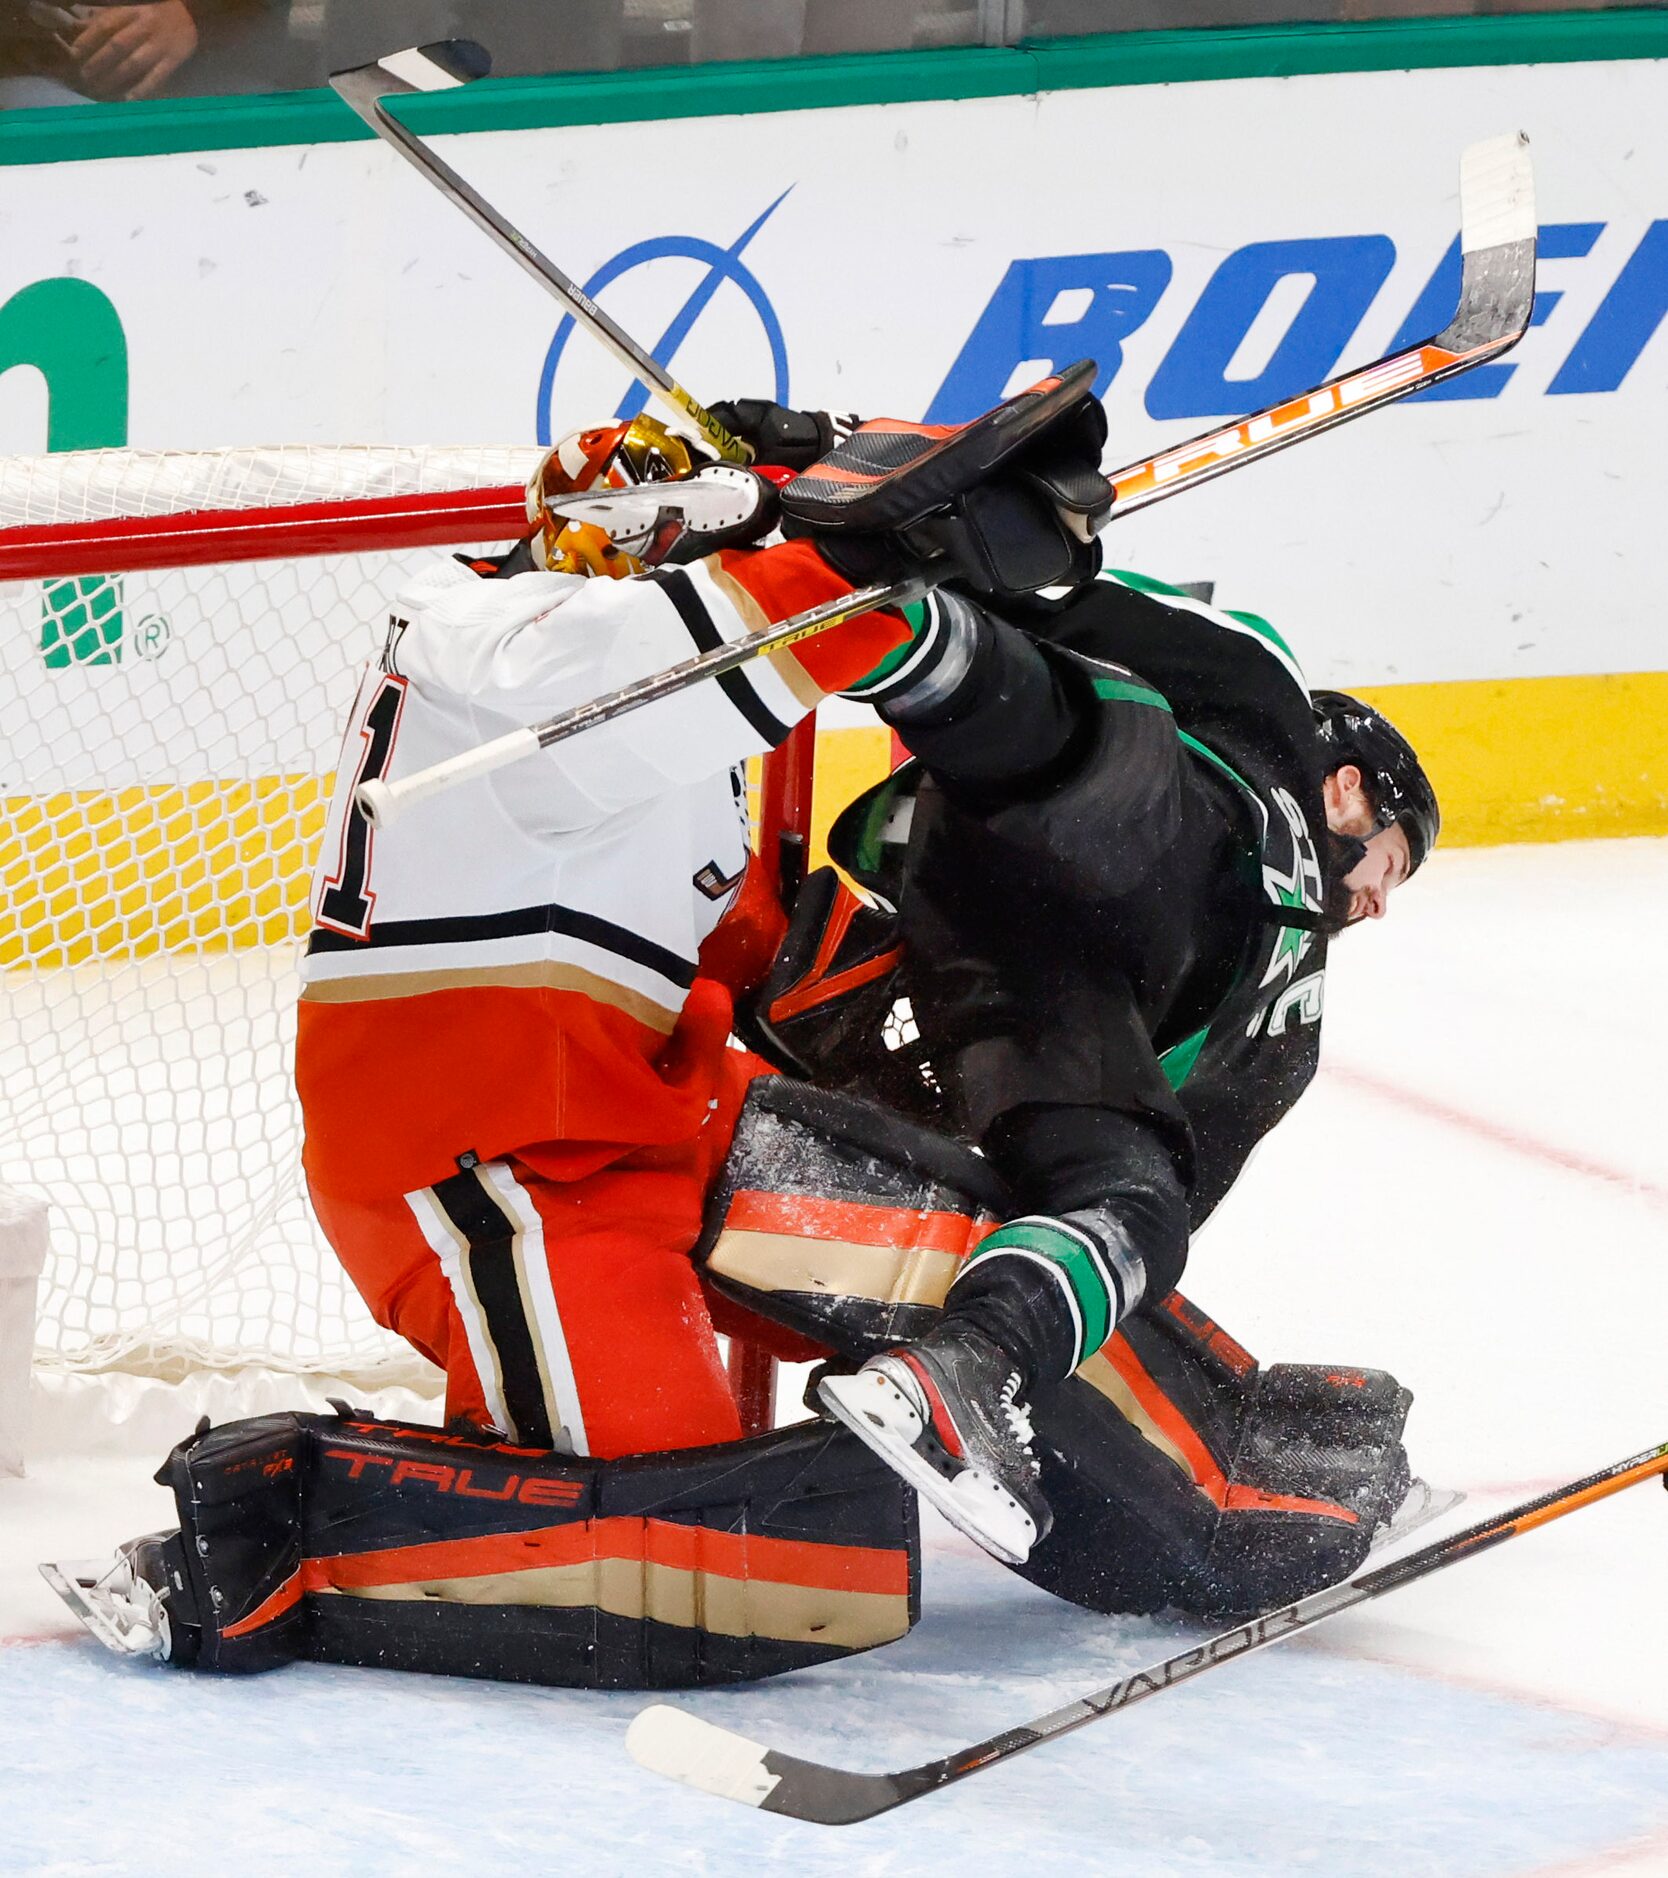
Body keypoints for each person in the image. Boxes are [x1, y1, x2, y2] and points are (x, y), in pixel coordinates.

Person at [731, 434, 1439, 1569]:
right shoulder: (1261, 701)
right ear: (1350, 788)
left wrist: (1105, 1228)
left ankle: (961, 1371)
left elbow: (1153, 1193)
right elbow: (1064, 585)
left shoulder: (1283, 1024)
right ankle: (851, 606)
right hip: (1152, 819)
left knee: (1127, 1207)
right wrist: (857, 477)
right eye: (1392, 865)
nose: (1380, 903)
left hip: (1024, 962)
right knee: (1088, 758)